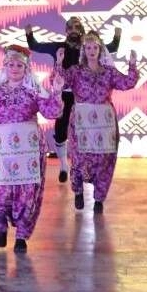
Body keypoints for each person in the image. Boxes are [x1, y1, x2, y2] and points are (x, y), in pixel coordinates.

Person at [0, 45, 62, 250]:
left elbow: (52, 112)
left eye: (19, 65)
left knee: (27, 191)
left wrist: (57, 92)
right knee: (2, 191)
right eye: (11, 65)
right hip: (4, 149)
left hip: (29, 148)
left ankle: (21, 237)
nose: (15, 69)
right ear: (5, 67)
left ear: (26, 68)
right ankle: (0, 228)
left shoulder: (34, 90)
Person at [25, 16, 119, 182]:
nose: (74, 30)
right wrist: (29, 34)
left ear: (81, 29)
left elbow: (109, 48)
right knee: (61, 132)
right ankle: (63, 165)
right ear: (66, 31)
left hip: (83, 96)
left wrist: (117, 37)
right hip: (64, 94)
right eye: (70, 28)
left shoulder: (88, 47)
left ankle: (85, 168)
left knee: (84, 132)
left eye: (77, 27)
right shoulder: (59, 47)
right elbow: (35, 46)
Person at [63, 37, 140, 212]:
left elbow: (127, 83)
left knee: (104, 160)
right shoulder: (76, 71)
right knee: (79, 158)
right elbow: (60, 83)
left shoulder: (109, 72)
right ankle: (78, 190)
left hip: (104, 122)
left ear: (100, 50)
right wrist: (59, 64)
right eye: (88, 48)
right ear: (84, 51)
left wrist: (132, 65)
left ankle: (99, 198)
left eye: (95, 48)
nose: (91, 51)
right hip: (81, 122)